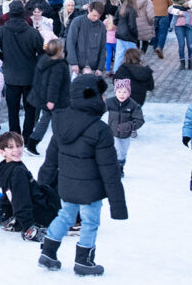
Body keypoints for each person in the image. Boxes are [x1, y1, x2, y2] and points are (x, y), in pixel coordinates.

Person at [36, 74, 128, 276]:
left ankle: (48, 252)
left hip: (67, 185)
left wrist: (42, 181)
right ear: (92, 97)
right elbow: (109, 169)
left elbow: (51, 156)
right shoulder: (100, 130)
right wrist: (118, 204)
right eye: (102, 94)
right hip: (90, 190)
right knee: (90, 222)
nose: (105, 98)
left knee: (66, 215)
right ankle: (84, 260)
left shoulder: (60, 120)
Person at [0, 0, 44, 139]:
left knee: (12, 109)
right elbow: (43, 53)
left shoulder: (2, 30)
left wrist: (2, 56)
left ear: (10, 13)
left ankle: (14, 134)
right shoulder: (32, 32)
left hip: (11, 75)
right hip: (30, 75)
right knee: (30, 108)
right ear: (23, 13)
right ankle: (28, 134)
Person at [0, 131, 60, 239]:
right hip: (43, 214)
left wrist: (8, 214)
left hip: (38, 204)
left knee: (55, 175)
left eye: (19, 146)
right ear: (2, 152)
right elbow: (20, 200)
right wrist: (28, 226)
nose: (16, 150)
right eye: (11, 147)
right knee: (66, 178)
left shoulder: (6, 168)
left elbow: (9, 195)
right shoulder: (17, 171)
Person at [105, 78, 144, 179]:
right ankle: (114, 169)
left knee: (122, 153)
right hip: (112, 133)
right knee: (114, 151)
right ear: (115, 92)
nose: (122, 94)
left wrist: (127, 126)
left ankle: (121, 166)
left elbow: (139, 120)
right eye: (119, 91)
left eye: (124, 92)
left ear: (129, 93)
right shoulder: (110, 102)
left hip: (125, 134)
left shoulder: (133, 105)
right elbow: (98, 110)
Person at [65, 1, 107, 74]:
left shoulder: (101, 26)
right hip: (76, 65)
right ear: (89, 10)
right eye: (94, 15)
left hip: (93, 67)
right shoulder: (77, 22)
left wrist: (100, 68)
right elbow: (70, 42)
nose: (96, 18)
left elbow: (103, 48)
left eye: (99, 16)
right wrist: (73, 63)